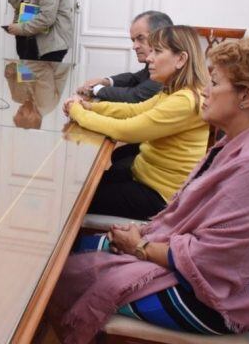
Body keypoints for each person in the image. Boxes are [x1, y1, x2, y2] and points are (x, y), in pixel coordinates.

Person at [50, 38, 249, 344]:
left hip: (211, 301)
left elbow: (213, 261)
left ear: (247, 96)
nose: (205, 91)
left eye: (214, 82)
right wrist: (145, 238)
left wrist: (139, 247)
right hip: (195, 271)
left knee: (56, 274)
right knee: (67, 251)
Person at [63, 25, 209, 219]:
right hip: (145, 176)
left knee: (73, 198)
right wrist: (91, 107)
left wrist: (78, 112)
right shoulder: (176, 91)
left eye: (157, 51)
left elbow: (127, 131)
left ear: (181, 59)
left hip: (158, 196)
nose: (149, 57)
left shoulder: (185, 101)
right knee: (83, 184)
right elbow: (134, 110)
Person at [76, 11, 173, 103]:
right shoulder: (155, 64)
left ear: (161, 36)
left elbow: (134, 96)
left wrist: (95, 89)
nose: (134, 46)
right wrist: (106, 82)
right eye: (133, 40)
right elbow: (135, 78)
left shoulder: (167, 68)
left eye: (140, 38)